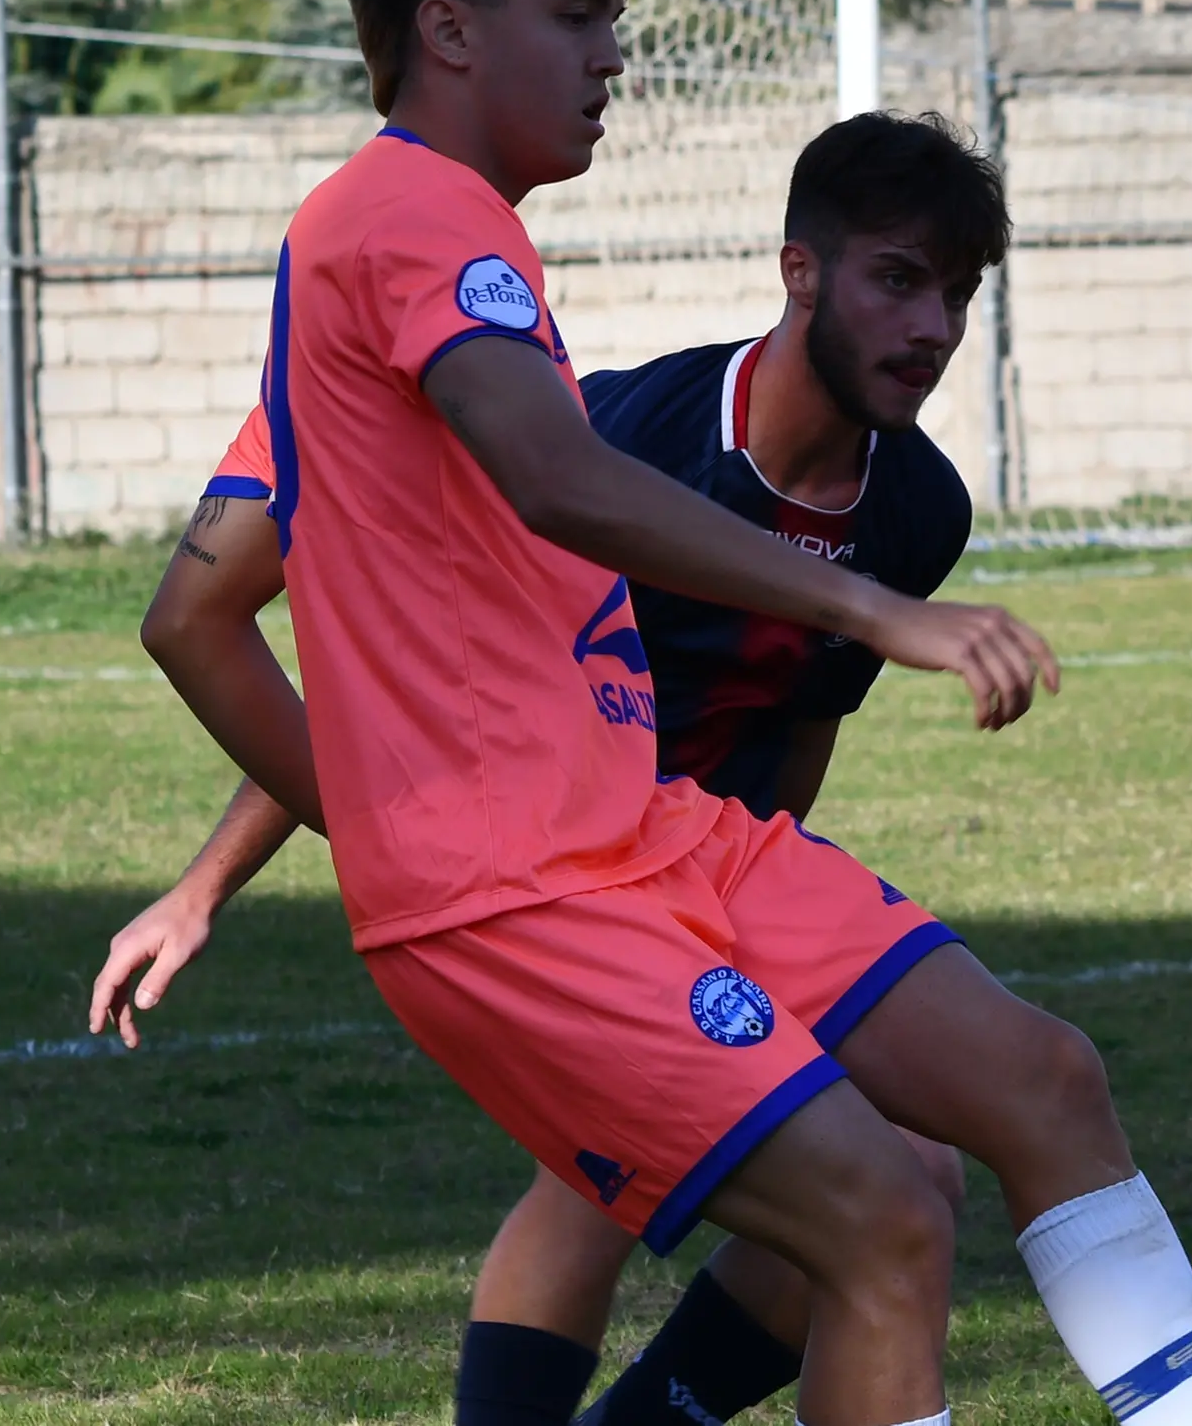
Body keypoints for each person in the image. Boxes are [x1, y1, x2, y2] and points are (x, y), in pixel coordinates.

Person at [83, 0, 1192, 1426]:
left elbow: (195, 612)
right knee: (883, 1216)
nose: (612, 58)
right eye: (579, 16)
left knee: (1038, 1079)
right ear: (447, 30)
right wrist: (870, 606)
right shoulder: (418, 226)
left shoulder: (413, 276)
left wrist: (356, 814)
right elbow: (560, 480)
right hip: (523, 887)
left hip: (650, 834)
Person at [92, 112, 1011, 1426]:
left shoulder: (913, 507)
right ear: (804, 273)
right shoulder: (603, 448)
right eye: (899, 279)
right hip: (545, 882)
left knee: (905, 1180)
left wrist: (739, 913)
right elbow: (371, 701)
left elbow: (799, 736)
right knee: (688, 1194)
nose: (930, 325)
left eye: (957, 292)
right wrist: (208, 885)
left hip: (689, 878)